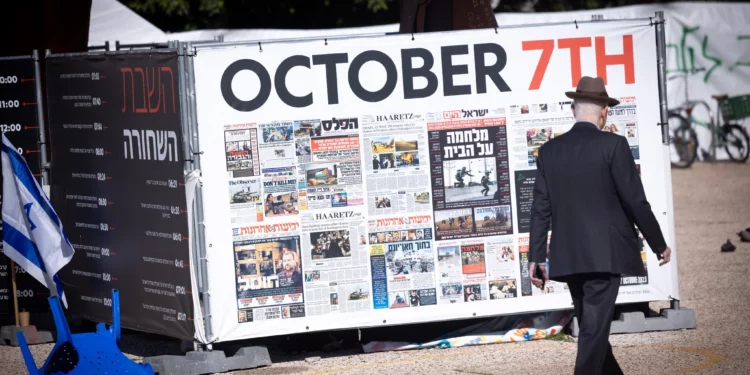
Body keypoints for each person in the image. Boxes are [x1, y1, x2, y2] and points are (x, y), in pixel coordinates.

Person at [528, 76, 672, 375]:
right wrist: (659, 243)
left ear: (573, 109)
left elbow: (540, 209)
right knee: (593, 332)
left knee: (593, 327)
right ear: (604, 112)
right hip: (604, 255)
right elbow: (635, 201)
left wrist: (535, 257)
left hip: (568, 257)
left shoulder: (549, 151)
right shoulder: (614, 145)